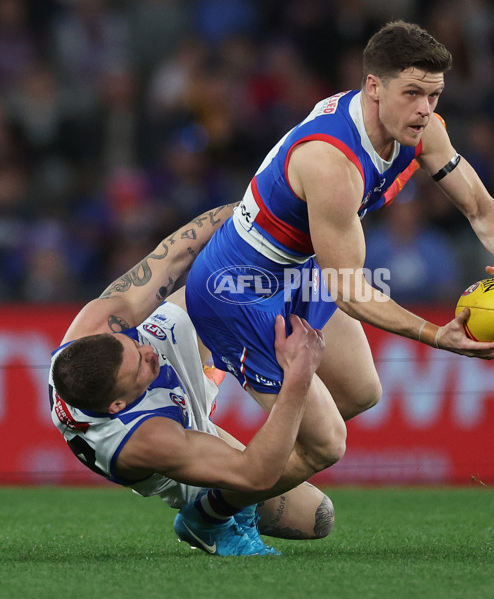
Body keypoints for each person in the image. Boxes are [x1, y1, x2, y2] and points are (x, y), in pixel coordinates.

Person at [185, 20, 494, 492]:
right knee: (328, 445)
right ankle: (214, 509)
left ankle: (234, 469)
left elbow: (479, 206)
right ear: (373, 86)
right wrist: (437, 336)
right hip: (238, 286)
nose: (424, 109)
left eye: (434, 95)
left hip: (299, 269)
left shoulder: (422, 130)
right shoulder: (331, 162)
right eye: (412, 93)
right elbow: (350, 292)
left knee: (359, 392)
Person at [49, 203, 335, 557]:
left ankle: (217, 358)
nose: (149, 355)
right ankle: (205, 519)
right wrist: (298, 373)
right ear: (118, 405)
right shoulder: (148, 437)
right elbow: (255, 474)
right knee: (319, 517)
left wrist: (253, 208)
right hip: (179, 437)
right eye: (140, 366)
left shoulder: (97, 325)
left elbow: (171, 256)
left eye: (134, 345)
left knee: (220, 280)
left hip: (172, 356)